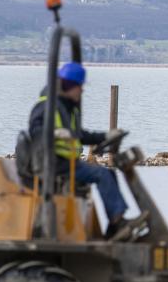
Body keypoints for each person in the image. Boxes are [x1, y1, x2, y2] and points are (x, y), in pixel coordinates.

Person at [28, 61, 133, 238]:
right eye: (80, 87)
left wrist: (105, 137)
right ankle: (117, 221)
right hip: (54, 163)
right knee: (102, 174)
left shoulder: (67, 108)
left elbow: (79, 135)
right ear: (69, 86)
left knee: (110, 173)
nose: (82, 91)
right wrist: (53, 133)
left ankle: (115, 224)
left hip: (67, 162)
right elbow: (35, 130)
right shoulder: (46, 106)